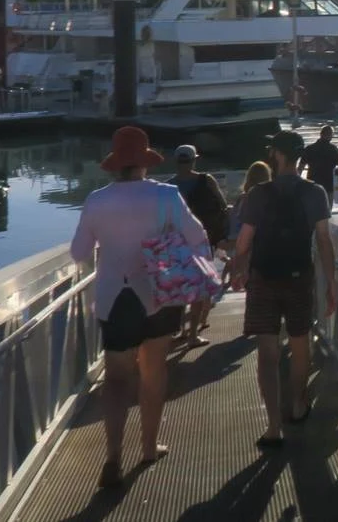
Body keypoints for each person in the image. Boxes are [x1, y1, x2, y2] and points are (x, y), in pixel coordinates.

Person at [70, 126, 208, 488]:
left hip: (115, 298)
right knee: (153, 370)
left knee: (116, 380)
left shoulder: (97, 201)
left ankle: (113, 455)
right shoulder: (166, 196)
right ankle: (148, 447)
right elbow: (198, 237)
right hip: (159, 293)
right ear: (145, 162)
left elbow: (78, 253)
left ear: (115, 166)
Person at [231, 130, 336, 449]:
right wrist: (331, 282)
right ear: (300, 157)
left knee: (268, 351)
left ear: (275, 155)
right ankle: (299, 404)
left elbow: (245, 240)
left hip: (264, 276)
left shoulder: (258, 194)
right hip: (299, 277)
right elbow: (323, 240)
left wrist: (238, 266)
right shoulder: (315, 192)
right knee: (301, 343)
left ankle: (273, 426)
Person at [171, 144, 229, 348]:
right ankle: (193, 333)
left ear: (176, 161)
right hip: (203, 242)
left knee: (180, 288)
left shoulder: (168, 187)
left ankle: (179, 330)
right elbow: (222, 205)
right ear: (195, 160)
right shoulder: (206, 180)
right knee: (199, 289)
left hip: (177, 245)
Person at [302, 125, 338, 201]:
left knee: (313, 208)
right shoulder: (333, 149)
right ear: (331, 135)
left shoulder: (310, 148)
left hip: (312, 182)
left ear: (321, 134)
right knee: (327, 209)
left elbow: (301, 166)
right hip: (328, 183)